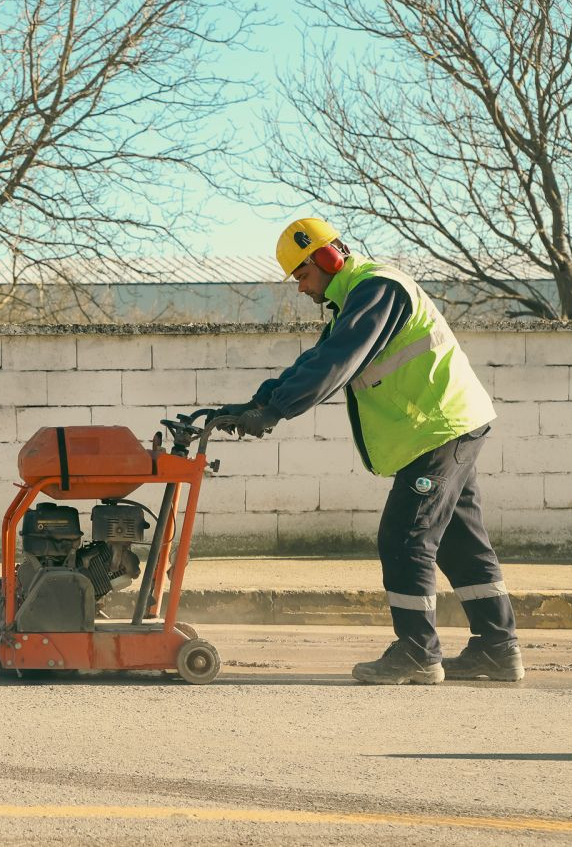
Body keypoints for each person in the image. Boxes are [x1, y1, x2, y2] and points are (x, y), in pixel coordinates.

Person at [218, 217, 521, 684]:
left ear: (327, 258)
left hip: (437, 428)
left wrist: (276, 410)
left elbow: (337, 361)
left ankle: (418, 653)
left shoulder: (378, 289)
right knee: (460, 541)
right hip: (447, 425)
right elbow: (317, 359)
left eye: (301, 275)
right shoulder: (355, 300)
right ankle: (497, 650)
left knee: (405, 537)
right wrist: (258, 403)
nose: (300, 289)